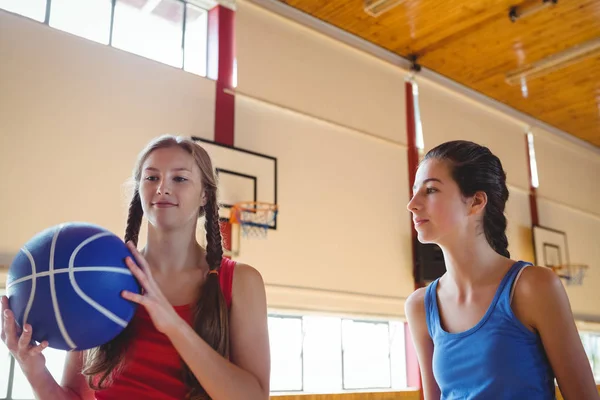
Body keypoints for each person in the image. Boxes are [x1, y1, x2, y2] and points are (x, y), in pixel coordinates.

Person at [1, 135, 271, 400]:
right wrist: (33, 369)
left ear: (204, 195)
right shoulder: (99, 274)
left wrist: (174, 325)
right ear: (139, 190)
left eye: (180, 178)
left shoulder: (239, 281)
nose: (162, 187)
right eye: (151, 177)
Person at [405, 140, 599, 400]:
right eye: (415, 191)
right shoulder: (420, 306)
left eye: (430, 190)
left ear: (475, 201)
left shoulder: (533, 287)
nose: (412, 204)